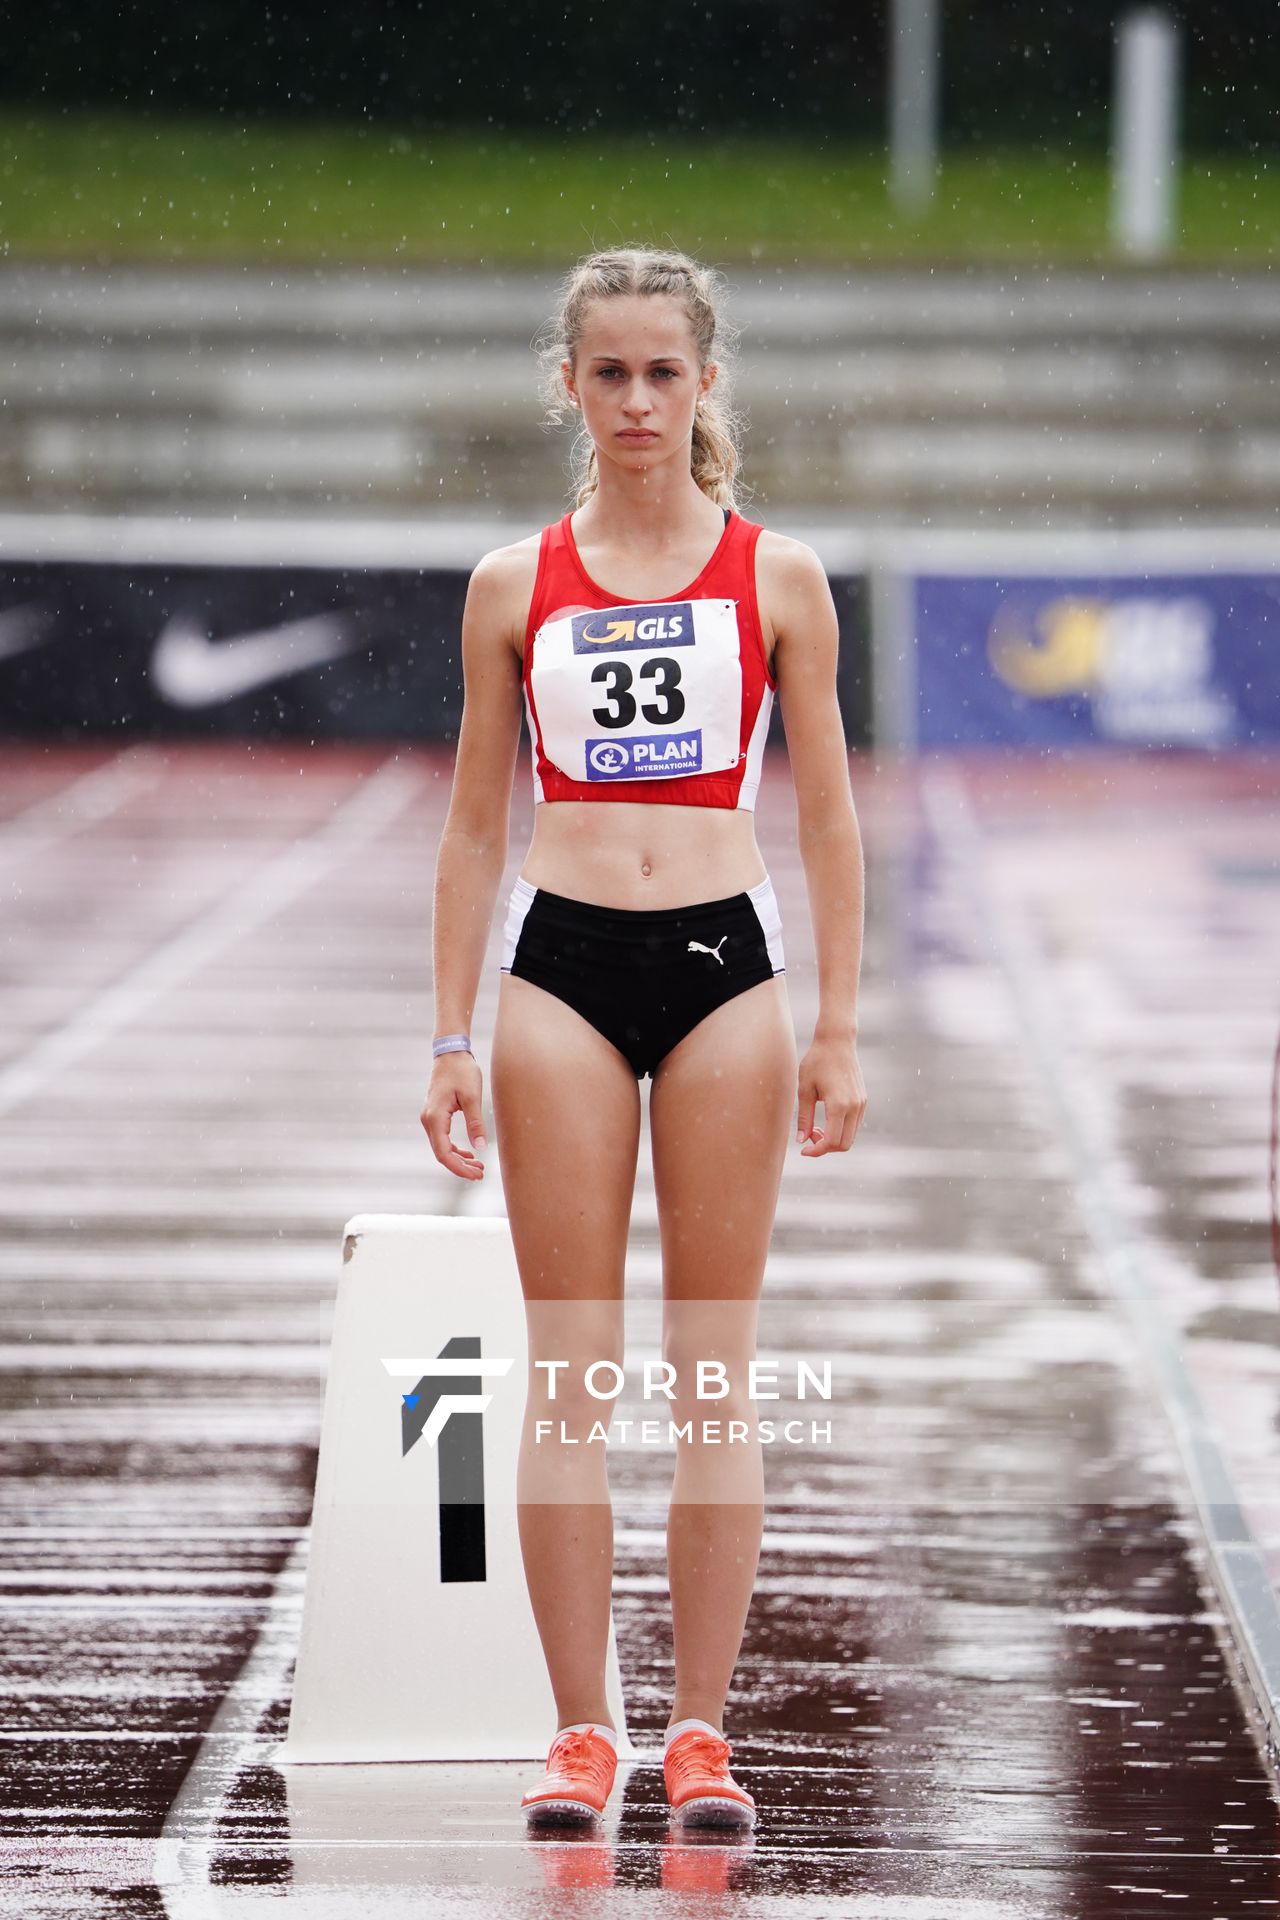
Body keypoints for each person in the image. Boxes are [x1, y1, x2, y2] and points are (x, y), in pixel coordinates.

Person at [422, 246, 866, 1831]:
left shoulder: (779, 577)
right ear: (568, 383)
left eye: (660, 372)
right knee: (567, 1376)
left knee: (716, 1378)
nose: (632, 400)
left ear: (706, 384)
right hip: (559, 975)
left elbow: (828, 817)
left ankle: (697, 1732)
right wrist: (448, 1036)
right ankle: (579, 1732)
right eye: (605, 372)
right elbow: (476, 827)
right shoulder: (509, 583)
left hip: (728, 973)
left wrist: (839, 1029)